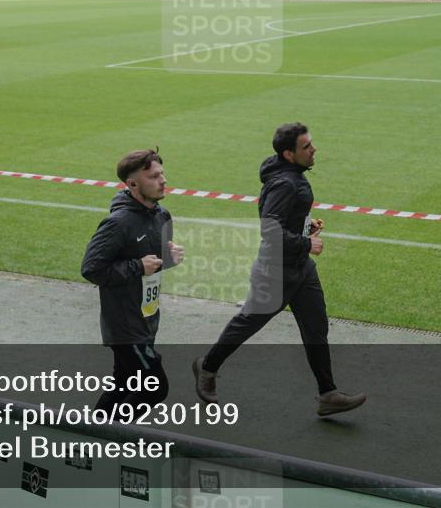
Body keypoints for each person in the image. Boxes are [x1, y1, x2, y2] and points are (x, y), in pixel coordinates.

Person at [193, 123, 366, 417]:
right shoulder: (285, 183)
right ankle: (207, 368)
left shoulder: (292, 176)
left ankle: (328, 394)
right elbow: (269, 230)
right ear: (289, 153)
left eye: (312, 143)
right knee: (248, 323)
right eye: (306, 146)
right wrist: (306, 243)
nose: (314, 150)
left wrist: (304, 224)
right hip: (275, 271)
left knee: (316, 328)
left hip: (301, 270)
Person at [81, 149, 185, 412]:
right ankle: (112, 438)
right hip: (126, 326)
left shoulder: (162, 216)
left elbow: (154, 265)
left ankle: (92, 435)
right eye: (153, 176)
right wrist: (138, 266)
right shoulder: (119, 223)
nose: (162, 180)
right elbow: (91, 269)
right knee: (155, 389)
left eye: (162, 173)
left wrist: (169, 258)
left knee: (124, 384)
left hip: (147, 319)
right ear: (133, 184)